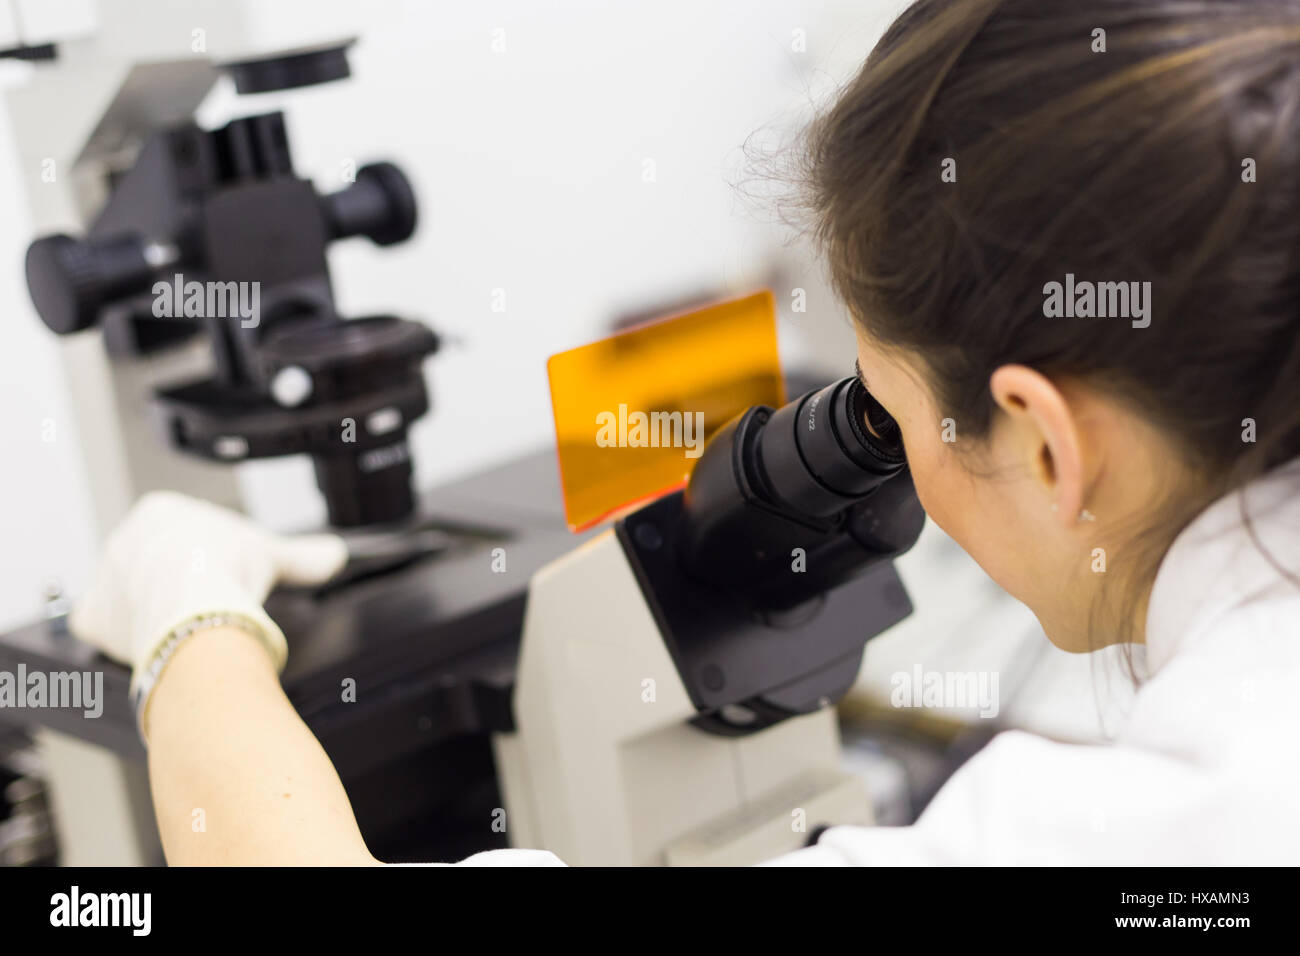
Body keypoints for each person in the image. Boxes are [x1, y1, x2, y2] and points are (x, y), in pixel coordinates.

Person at [71, 0, 1300, 865]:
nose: (879, 449)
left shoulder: (1152, 828)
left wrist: (190, 628)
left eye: (889, 413)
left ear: (1041, 441)